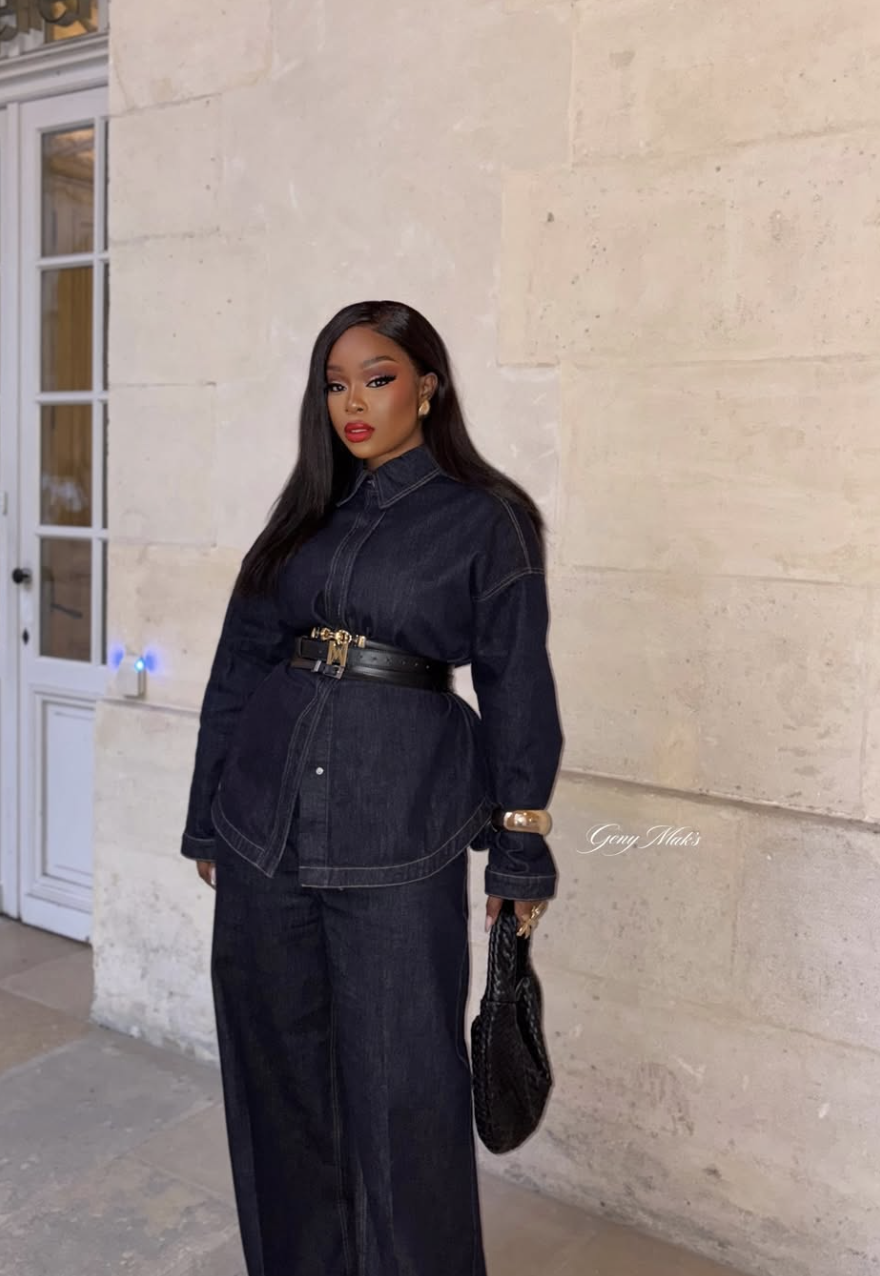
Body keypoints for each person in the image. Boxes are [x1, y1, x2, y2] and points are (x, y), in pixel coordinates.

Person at [179, 299, 564, 1276]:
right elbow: (240, 663)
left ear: (427, 385)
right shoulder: (305, 511)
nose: (354, 401)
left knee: (406, 1099)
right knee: (280, 1089)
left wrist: (521, 842)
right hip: (263, 827)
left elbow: (517, 682)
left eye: (378, 377)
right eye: (336, 383)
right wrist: (207, 820)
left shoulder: (486, 519)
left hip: (402, 830)